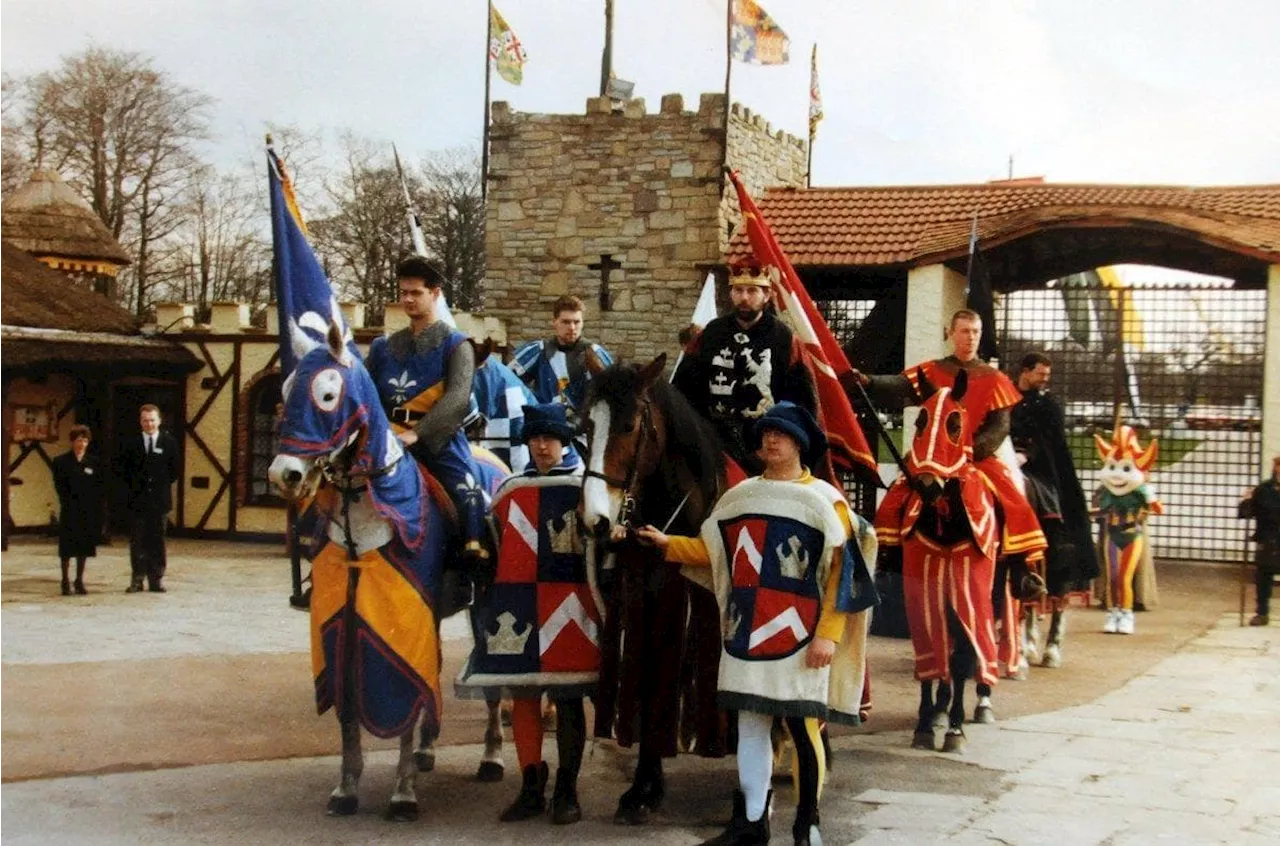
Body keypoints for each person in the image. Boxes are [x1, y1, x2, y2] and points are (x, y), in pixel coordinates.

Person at [637, 402, 877, 846]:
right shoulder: (740, 496)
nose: (770, 440)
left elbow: (845, 574)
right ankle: (751, 823)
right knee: (749, 725)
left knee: (804, 730)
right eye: (766, 432)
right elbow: (717, 553)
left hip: (803, 639)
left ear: (800, 443)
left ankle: (808, 827)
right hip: (746, 632)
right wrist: (669, 543)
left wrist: (828, 634)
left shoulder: (826, 501)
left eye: (781, 434)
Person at [854, 309, 1043, 674]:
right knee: (895, 497)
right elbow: (899, 387)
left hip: (976, 457)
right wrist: (868, 380)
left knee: (1014, 499)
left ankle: (1022, 568)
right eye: (964, 331)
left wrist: (968, 454)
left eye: (975, 331)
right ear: (950, 333)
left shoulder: (994, 378)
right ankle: (889, 559)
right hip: (933, 455)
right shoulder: (932, 371)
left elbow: (999, 427)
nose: (970, 337)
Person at [456, 403, 598, 825]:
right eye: (534, 438)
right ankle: (531, 786)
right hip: (517, 610)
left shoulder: (583, 489)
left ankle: (567, 791)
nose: (541, 445)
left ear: (564, 441)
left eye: (549, 438)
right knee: (523, 696)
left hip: (570, 609)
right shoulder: (511, 490)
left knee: (569, 698)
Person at [367, 256, 486, 559]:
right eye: (403, 292)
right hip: (388, 437)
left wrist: (417, 434)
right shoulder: (384, 347)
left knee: (468, 491)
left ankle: (472, 559)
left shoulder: (457, 346)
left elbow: (456, 400)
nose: (407, 299)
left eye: (415, 292)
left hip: (437, 440)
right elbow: (365, 393)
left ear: (435, 293)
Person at [672, 260, 816, 473]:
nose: (744, 298)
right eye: (738, 290)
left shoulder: (784, 339)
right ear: (731, 294)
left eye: (752, 291)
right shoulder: (710, 335)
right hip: (713, 445)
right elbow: (684, 390)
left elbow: (800, 401)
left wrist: (776, 443)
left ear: (766, 295)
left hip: (765, 445)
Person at [1009, 352, 1098, 663]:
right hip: (1004, 461)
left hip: (1040, 470)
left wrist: (1026, 454)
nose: (1045, 379)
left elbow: (1050, 441)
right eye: (1040, 374)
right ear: (1025, 370)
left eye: (1047, 375)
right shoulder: (1003, 394)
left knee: (1052, 514)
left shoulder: (1048, 406)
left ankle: (1055, 545)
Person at [510, 295, 613, 421]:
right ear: (554, 322)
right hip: (545, 428)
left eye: (576, 322)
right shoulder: (538, 351)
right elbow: (508, 382)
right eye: (566, 322)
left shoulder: (596, 354)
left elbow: (614, 395)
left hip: (584, 432)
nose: (572, 328)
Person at [117, 405, 179, 593]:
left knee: (157, 540)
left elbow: (174, 471)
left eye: (152, 420)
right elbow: (123, 470)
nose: (149, 424)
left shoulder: (169, 442)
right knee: (138, 541)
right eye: (145, 420)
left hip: (159, 501)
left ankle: (156, 579)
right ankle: (137, 579)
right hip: (137, 501)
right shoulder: (131, 443)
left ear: (159, 421)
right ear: (140, 422)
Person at [51, 425, 103, 596]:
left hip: (87, 510)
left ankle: (79, 579)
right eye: (79, 440)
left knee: (84, 547)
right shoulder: (61, 462)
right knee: (66, 548)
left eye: (85, 440)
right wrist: (68, 501)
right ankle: (65, 580)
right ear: (72, 441)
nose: (82, 443)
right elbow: (59, 486)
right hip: (69, 509)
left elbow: (97, 487)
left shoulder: (93, 463)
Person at [1238, 455, 1280, 626]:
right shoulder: (1264, 489)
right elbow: (1248, 513)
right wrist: (1246, 501)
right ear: (1276, 468)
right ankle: (1262, 613)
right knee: (1263, 578)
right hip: (1268, 539)